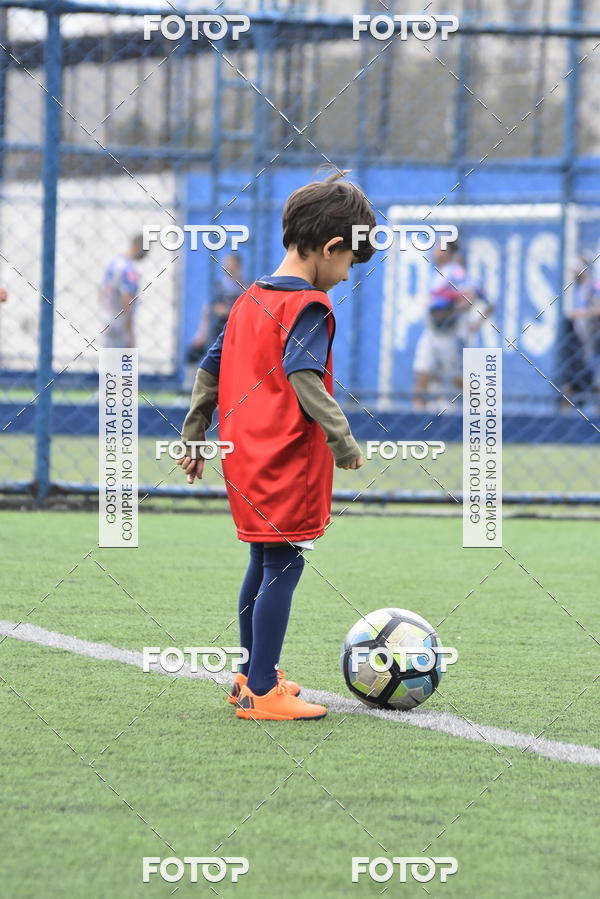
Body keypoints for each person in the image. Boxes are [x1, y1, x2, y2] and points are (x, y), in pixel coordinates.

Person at [177, 172, 376, 721]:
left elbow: (209, 370)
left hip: (242, 457)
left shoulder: (248, 300)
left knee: (263, 559)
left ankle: (249, 676)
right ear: (331, 247)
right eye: (348, 264)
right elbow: (305, 377)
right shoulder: (308, 305)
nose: (344, 276)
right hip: (288, 460)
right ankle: (263, 691)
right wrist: (343, 439)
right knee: (284, 565)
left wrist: (194, 436)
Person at [412, 239, 490, 411]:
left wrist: (452, 310)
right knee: (422, 370)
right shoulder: (439, 273)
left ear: (447, 251)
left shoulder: (455, 273)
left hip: (451, 332)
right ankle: (417, 413)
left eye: (439, 246)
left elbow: (471, 297)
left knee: (455, 377)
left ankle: (483, 405)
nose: (434, 249)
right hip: (432, 330)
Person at [186, 254, 246, 365]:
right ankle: (193, 382)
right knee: (193, 353)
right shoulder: (217, 287)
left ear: (239, 266)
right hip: (216, 330)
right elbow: (207, 310)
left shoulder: (245, 288)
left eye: (231, 264)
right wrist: (201, 334)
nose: (228, 267)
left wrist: (227, 311)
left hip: (235, 329)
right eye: (226, 264)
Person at [100, 234, 148, 348]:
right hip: (120, 327)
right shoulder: (129, 270)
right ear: (139, 246)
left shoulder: (113, 263)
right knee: (125, 363)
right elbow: (127, 301)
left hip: (107, 319)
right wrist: (129, 332)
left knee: (109, 364)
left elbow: (101, 292)